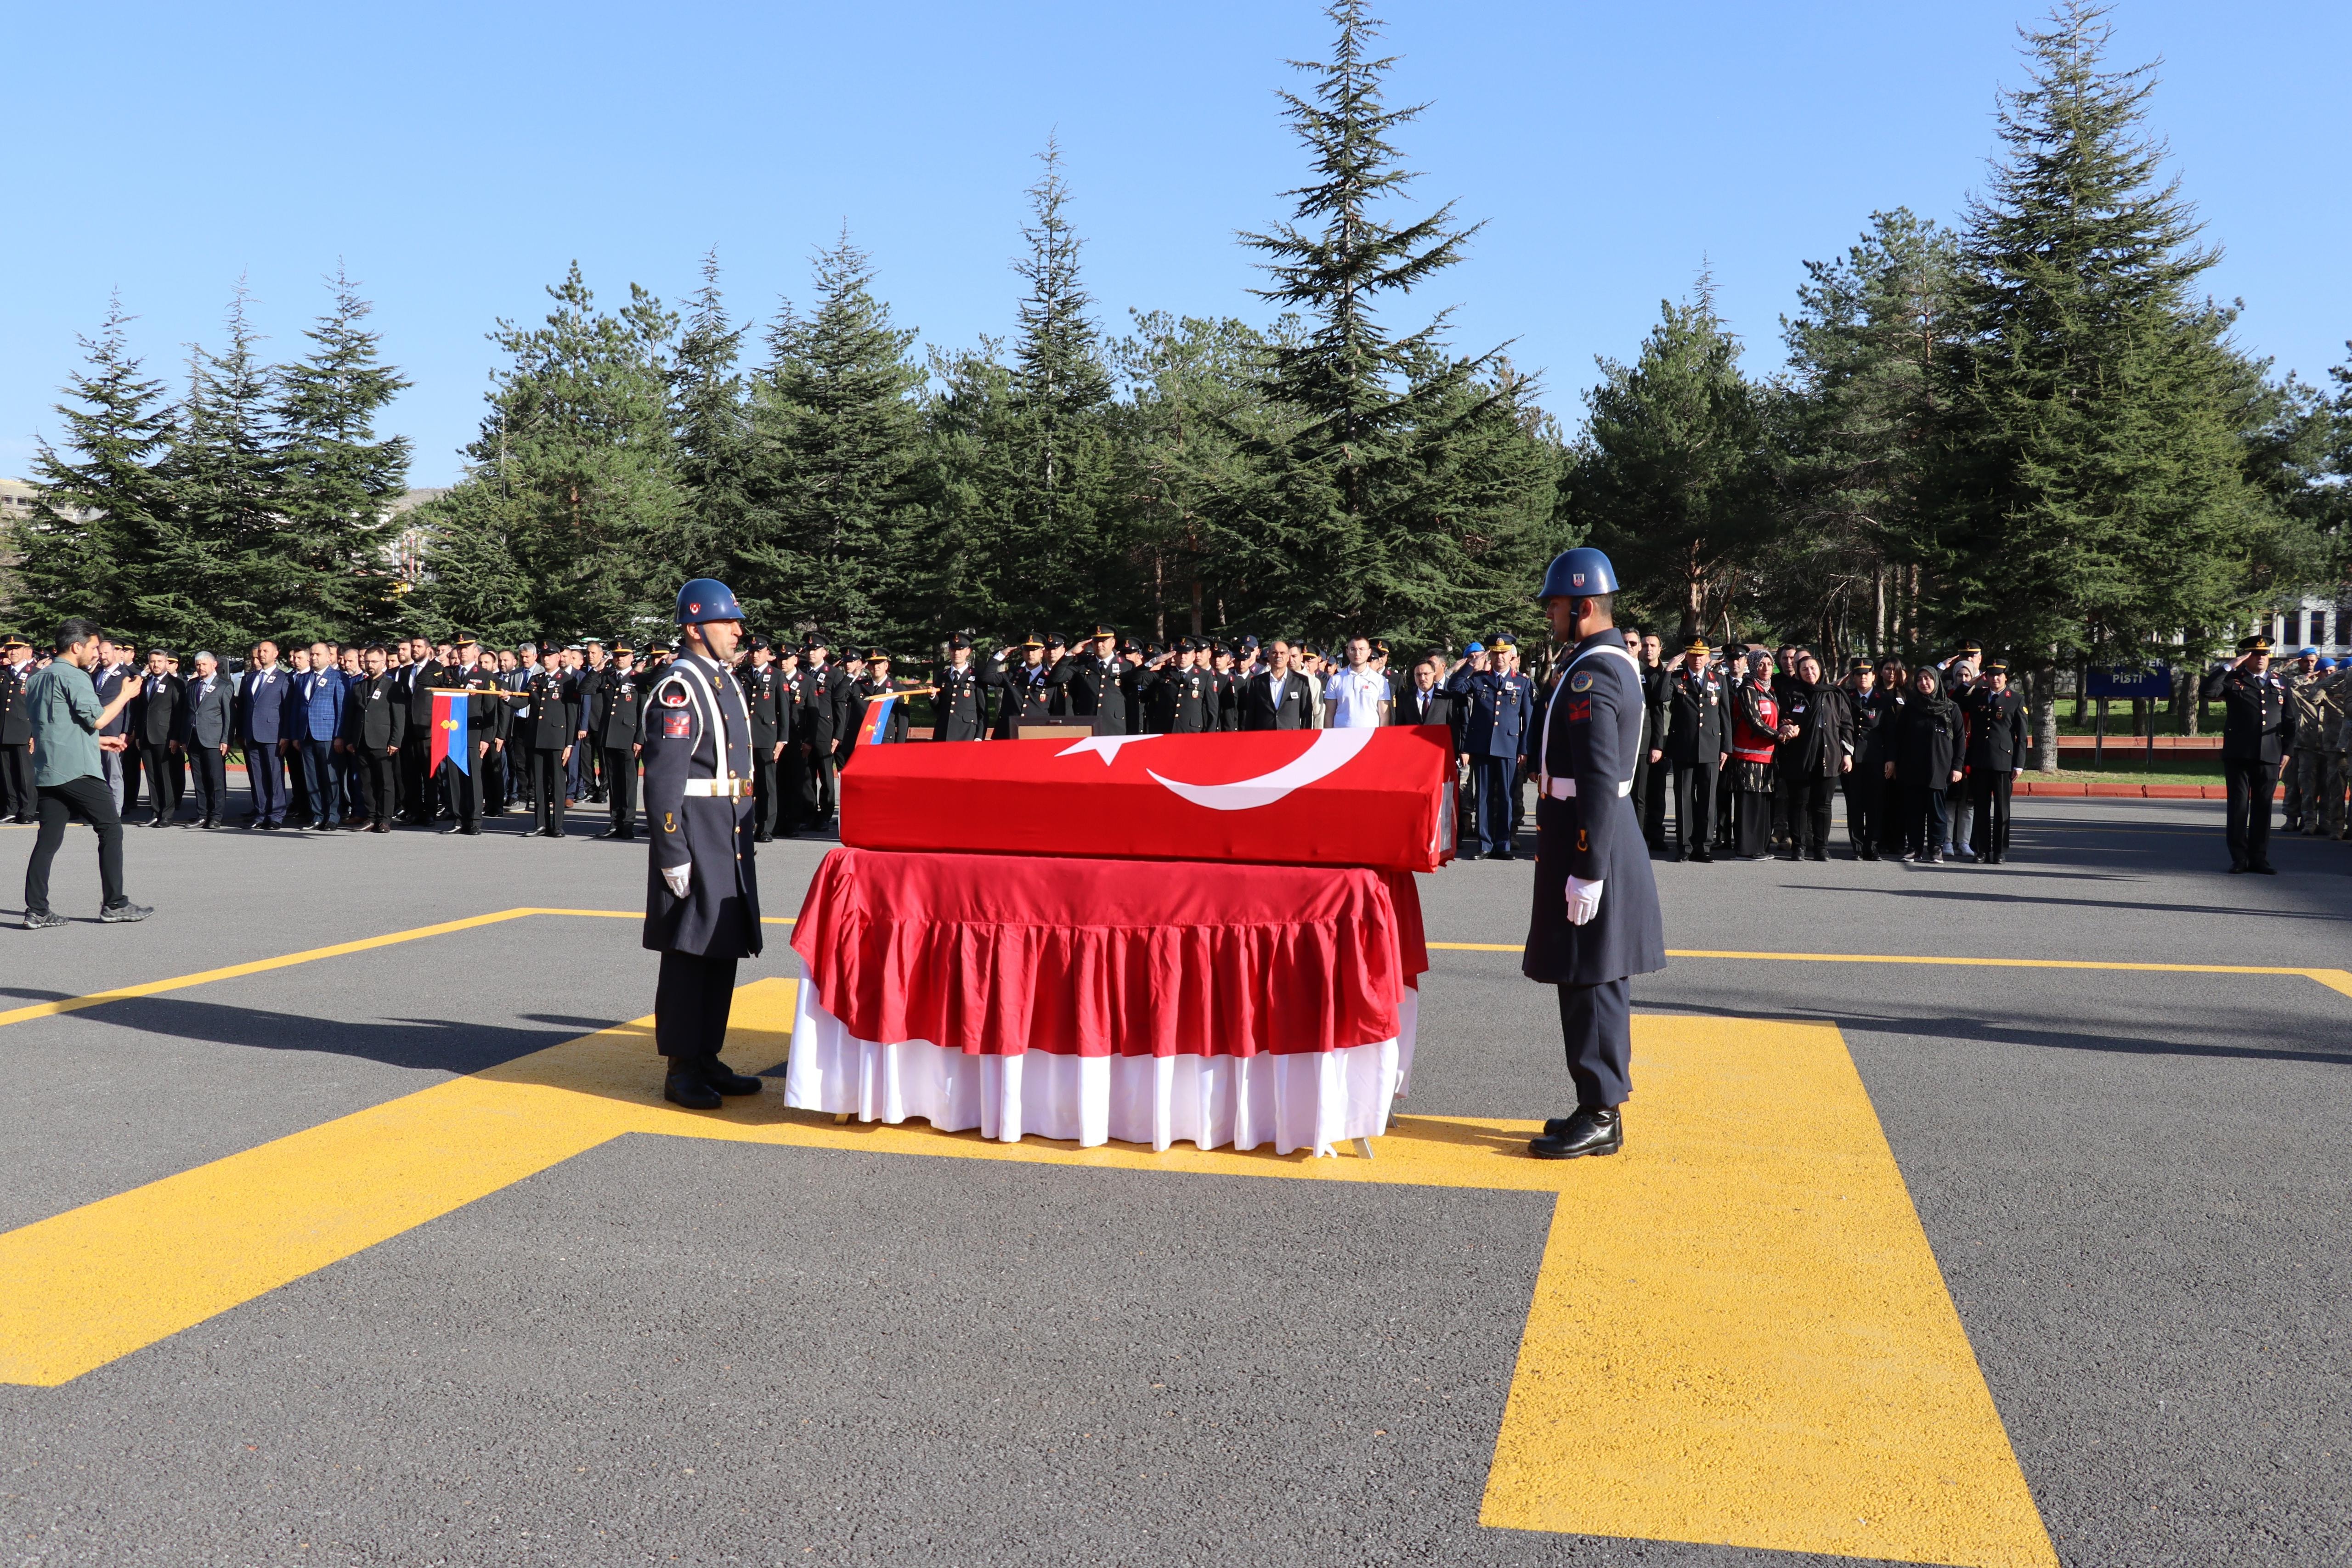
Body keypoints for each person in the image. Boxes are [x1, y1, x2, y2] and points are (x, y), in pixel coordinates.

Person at [1520, 548, 1665, 1161]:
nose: (1549, 614)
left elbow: (1600, 777)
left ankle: (1602, 1110)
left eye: (1555, 604)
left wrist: (1586, 867)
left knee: (1593, 977)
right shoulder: (1591, 661)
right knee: (1581, 974)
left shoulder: (1593, 673)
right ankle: (1594, 1102)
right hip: (1582, 830)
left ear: (1582, 606)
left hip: (1589, 835)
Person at [642, 577, 765, 1111]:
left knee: (720, 943)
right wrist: (673, 851)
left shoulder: (720, 680)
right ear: (694, 628)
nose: (738, 630)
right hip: (695, 829)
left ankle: (707, 1054)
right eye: (727, 621)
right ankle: (681, 1066)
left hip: (726, 827)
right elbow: (663, 780)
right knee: (689, 951)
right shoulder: (681, 688)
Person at [20, 619, 152, 929]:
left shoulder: (38, 676)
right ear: (76, 646)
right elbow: (98, 719)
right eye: (93, 647)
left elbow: (58, 724)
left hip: (48, 768)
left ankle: (37, 910)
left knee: (48, 840)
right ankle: (115, 904)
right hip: (77, 770)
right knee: (111, 828)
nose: (96, 653)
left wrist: (98, 741)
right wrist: (126, 694)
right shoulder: (75, 676)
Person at [2201, 634, 2292, 874]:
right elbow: (2208, 692)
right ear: (2245, 657)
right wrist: (2229, 666)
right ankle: (2239, 858)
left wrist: (2288, 751)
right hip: (2239, 754)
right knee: (2239, 807)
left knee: (2263, 807)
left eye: (2264, 654)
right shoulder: (2233, 679)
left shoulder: (2281, 682)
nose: (2261, 658)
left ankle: (2259, 858)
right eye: (2255, 654)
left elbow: (2290, 720)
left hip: (2270, 753)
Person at [1451, 639, 1531, 859]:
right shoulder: (1479, 679)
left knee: (1507, 797)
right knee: (1483, 797)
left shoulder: (1522, 682)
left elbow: (1528, 719)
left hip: (1509, 746)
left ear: (1512, 656)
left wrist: (1524, 749)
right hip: (1483, 746)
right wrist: (1471, 664)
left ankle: (1504, 844)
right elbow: (1455, 687)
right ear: (1491, 656)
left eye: (1504, 653)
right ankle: (1485, 844)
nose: (1500, 657)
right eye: (1495, 653)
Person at [1772, 650, 1848, 862]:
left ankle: (1821, 847)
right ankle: (1799, 847)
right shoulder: (1792, 693)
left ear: (1820, 670)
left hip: (1828, 756)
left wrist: (1847, 754)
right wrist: (1786, 727)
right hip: (1799, 757)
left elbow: (1846, 726)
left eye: (1813, 668)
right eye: (1804, 669)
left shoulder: (1833, 694)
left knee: (1823, 805)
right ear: (1798, 673)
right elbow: (1782, 718)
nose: (1809, 672)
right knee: (1799, 804)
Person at [1660, 638, 1727, 863]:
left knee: (1707, 799)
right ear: (1686, 656)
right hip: (1684, 747)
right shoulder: (1677, 678)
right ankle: (1685, 846)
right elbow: (1662, 697)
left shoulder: (1718, 680)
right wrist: (1668, 670)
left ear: (1708, 657)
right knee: (1684, 798)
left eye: (1701, 655)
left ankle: (1704, 846)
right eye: (1693, 655)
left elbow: (1725, 716)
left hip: (1711, 746)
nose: (1697, 659)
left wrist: (1726, 748)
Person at [1891, 666, 1964, 864]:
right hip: (1912, 768)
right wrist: (1895, 763)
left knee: (1937, 813)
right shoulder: (1911, 708)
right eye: (1920, 679)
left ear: (1936, 681)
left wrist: (1957, 767)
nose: (1924, 683)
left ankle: (1936, 848)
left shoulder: (1951, 708)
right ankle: (1914, 848)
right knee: (1914, 812)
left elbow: (1960, 740)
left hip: (1939, 767)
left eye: (1928, 679)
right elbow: (1899, 738)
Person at [1963, 660, 2029, 863]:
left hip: (2003, 761)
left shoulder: (2016, 699)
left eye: (1999, 675)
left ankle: (1999, 851)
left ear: (2006, 677)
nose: (1995, 679)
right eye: (1991, 675)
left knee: (2002, 809)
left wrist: (2019, 765)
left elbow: (2022, 736)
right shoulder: (1977, 696)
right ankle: (1982, 850)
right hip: (1980, 760)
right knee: (1981, 808)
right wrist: (1970, 683)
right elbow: (1956, 700)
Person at [341, 643, 407, 833]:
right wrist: (350, 740)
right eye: (367, 661)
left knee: (385, 782)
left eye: (374, 662)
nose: (370, 665)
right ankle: (371, 817)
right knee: (366, 782)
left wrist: (395, 741)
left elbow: (399, 716)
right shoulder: (359, 686)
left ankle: (385, 820)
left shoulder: (393, 686)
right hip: (361, 741)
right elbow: (352, 716)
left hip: (383, 741)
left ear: (383, 662)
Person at [1726, 649, 1780, 860]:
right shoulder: (1748, 689)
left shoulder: (1769, 690)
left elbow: (1775, 718)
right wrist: (1779, 735)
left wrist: (1787, 727)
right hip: (1748, 757)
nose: (1766, 668)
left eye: (1769, 664)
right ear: (1753, 666)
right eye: (1761, 664)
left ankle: (1760, 847)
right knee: (1750, 804)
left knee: (1764, 804)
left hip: (1768, 756)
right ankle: (1746, 849)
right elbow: (1754, 721)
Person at [236, 640, 293, 829]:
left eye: (266, 651)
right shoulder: (249, 679)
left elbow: (288, 710)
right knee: (257, 776)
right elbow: (243, 708)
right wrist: (241, 733)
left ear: (276, 654)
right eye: (260, 651)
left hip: (273, 734)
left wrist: (286, 735)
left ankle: (276, 815)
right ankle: (260, 814)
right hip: (251, 734)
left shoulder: (284, 679)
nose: (262, 654)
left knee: (274, 776)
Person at [594, 645, 647, 840]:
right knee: (614, 782)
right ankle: (615, 822)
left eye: (624, 655)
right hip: (609, 736)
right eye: (617, 656)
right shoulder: (607, 676)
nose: (620, 659)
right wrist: (597, 669)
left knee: (629, 783)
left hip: (629, 737)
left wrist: (639, 739)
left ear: (632, 657)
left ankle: (628, 824)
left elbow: (643, 711)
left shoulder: (638, 678)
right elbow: (585, 689)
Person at [1841, 659, 1892, 860]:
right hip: (1852, 758)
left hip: (1876, 757)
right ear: (1853, 678)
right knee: (1855, 805)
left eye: (1867, 674)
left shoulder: (1883, 699)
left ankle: (1873, 846)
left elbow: (1890, 732)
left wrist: (1891, 759)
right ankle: (1858, 847)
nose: (1863, 678)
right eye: (1859, 674)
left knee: (1875, 805)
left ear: (1874, 677)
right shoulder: (1847, 697)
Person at [133, 647, 186, 826]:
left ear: (166, 663)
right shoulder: (145, 683)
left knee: (166, 777)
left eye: (159, 661)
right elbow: (140, 711)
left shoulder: (175, 684)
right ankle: (155, 812)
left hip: (165, 737)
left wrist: (176, 737)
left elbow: (179, 713)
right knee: (152, 777)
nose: (156, 665)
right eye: (152, 661)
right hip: (146, 736)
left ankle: (167, 815)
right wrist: (138, 734)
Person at [1239, 640, 1315, 730]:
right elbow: (1250, 716)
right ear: (1268, 655)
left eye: (1282, 653)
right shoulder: (1257, 682)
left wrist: (1306, 737)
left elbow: (1306, 715)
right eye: (1274, 653)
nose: (1278, 656)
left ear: (1288, 657)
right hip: (1264, 736)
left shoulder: (1301, 681)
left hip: (1292, 736)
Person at [1, 633, 36, 823]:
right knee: (6, 773)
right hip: (3, 729)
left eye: (17, 648)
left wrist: (35, 734)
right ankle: (11, 809)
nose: (13, 652)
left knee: (25, 774)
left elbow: (40, 705)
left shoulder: (35, 674)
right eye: (10, 648)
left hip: (24, 730)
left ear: (25, 650)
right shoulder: (3, 673)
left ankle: (28, 810)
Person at [1325, 636, 1391, 728]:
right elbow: (1329, 714)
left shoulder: (1380, 681)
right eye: (1353, 649)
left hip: (1371, 735)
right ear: (1347, 652)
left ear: (1369, 652)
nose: (1357, 653)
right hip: (1341, 735)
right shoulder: (1335, 680)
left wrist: (1381, 737)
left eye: (1362, 649)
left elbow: (1384, 717)